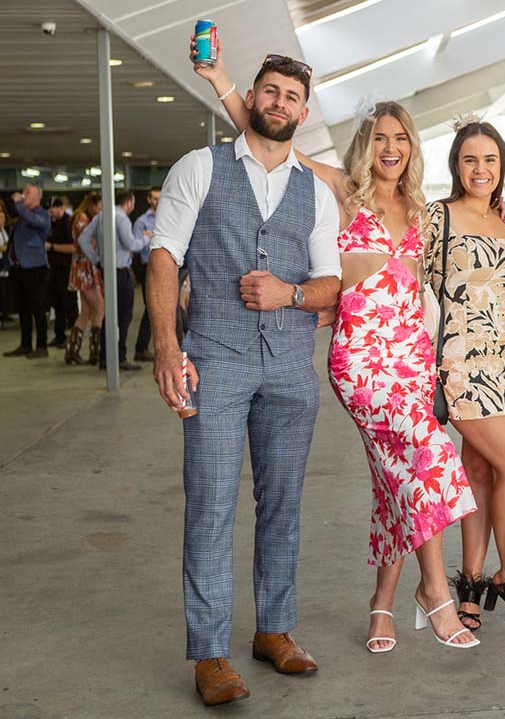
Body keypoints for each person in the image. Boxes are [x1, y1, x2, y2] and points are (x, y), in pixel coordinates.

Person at [195, 38, 478, 656]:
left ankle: (382, 607)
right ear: (365, 146)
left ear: (412, 148)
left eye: (400, 139)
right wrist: (221, 78)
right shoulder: (343, 191)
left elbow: (430, 292)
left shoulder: (424, 211)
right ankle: (435, 591)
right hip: (362, 360)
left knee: (394, 479)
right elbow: (266, 133)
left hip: (412, 358)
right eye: (380, 138)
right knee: (427, 461)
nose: (391, 149)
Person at [150, 53, 342, 706]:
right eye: (272, 91)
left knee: (283, 504)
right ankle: (209, 654)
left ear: (303, 112)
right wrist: (167, 346)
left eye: (293, 96)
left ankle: (274, 630)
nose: (281, 102)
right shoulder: (199, 168)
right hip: (215, 353)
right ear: (252, 97)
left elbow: (329, 285)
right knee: (210, 505)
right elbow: (164, 258)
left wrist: (290, 292)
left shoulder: (314, 190)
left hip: (290, 363)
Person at [428, 118, 505, 629]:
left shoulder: (503, 221)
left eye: (490, 160)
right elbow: (417, 290)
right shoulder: (438, 216)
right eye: (471, 159)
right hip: (458, 361)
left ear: (501, 166)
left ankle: (470, 586)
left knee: (478, 472)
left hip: (502, 361)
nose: (481, 169)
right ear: (456, 164)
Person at [81, 190, 151, 371]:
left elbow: (82, 240)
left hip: (107, 270)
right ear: (128, 202)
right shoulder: (121, 218)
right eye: (133, 203)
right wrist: (146, 238)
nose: (133, 207)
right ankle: (119, 357)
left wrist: (98, 261)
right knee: (123, 316)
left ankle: (106, 358)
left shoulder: (101, 216)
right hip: (120, 272)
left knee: (110, 316)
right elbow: (131, 245)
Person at [4, 183, 51, 358]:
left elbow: (33, 221)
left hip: (36, 268)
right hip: (20, 268)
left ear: (38, 197)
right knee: (22, 308)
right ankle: (25, 344)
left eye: (28, 192)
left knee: (36, 307)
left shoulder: (41, 215)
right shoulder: (23, 217)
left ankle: (42, 345)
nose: (24, 194)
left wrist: (19, 204)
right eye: (23, 192)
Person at [65, 193, 104, 365]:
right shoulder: (82, 218)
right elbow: (84, 243)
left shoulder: (82, 217)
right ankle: (96, 352)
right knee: (100, 308)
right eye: (100, 206)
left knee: (86, 312)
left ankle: (72, 351)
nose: (101, 210)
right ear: (92, 205)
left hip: (84, 268)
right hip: (85, 268)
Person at [44, 196, 79, 348]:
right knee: (56, 304)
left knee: (69, 303)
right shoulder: (51, 223)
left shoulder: (68, 223)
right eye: (50, 210)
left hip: (65, 269)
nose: (52, 212)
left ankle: (74, 336)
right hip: (53, 269)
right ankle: (60, 336)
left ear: (61, 208)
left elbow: (73, 248)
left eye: (54, 209)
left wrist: (52, 247)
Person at [132, 188, 160, 361]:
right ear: (149, 200)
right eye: (155, 198)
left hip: (170, 267)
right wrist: (145, 238)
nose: (158, 201)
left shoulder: (169, 216)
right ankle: (141, 348)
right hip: (148, 266)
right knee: (151, 307)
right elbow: (136, 246)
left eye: (160, 198)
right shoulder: (141, 221)